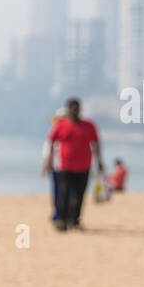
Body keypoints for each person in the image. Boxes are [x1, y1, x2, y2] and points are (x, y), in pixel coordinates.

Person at [43, 98, 100, 231]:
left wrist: (99, 161)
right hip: (65, 167)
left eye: (77, 109)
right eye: (72, 109)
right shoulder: (61, 125)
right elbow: (51, 142)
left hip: (84, 167)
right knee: (64, 194)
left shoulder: (89, 125)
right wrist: (48, 161)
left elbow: (96, 143)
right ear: (69, 110)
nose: (75, 112)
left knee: (80, 195)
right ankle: (61, 220)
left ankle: (75, 220)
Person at [41, 108, 66, 223]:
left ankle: (63, 214)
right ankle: (57, 214)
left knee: (64, 192)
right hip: (56, 167)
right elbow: (47, 150)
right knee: (57, 192)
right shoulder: (54, 131)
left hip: (67, 167)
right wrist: (46, 165)